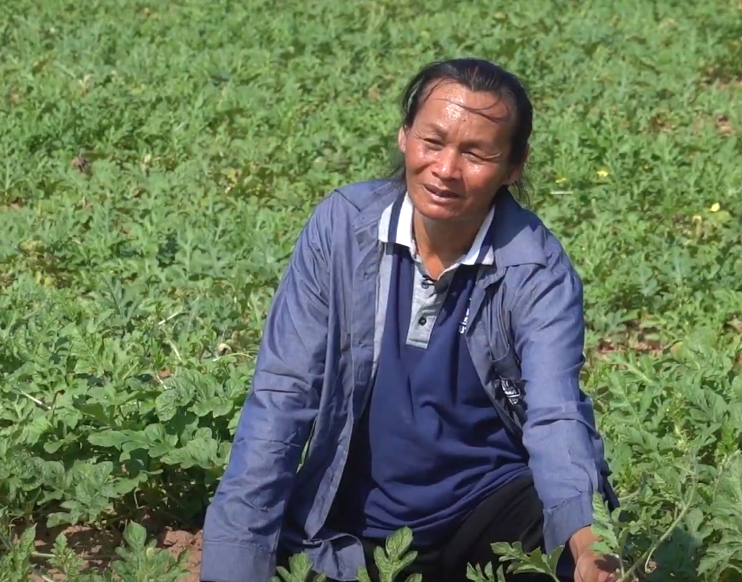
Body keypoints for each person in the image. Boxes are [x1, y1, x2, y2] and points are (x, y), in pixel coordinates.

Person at [200, 58, 620, 582]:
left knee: (561, 549)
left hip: (491, 508)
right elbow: (282, 397)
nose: (445, 169)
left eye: (475, 153)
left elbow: (556, 415)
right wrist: (233, 565)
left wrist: (589, 547)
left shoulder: (535, 269)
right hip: (356, 531)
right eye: (433, 141)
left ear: (514, 166)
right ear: (404, 137)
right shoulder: (341, 230)